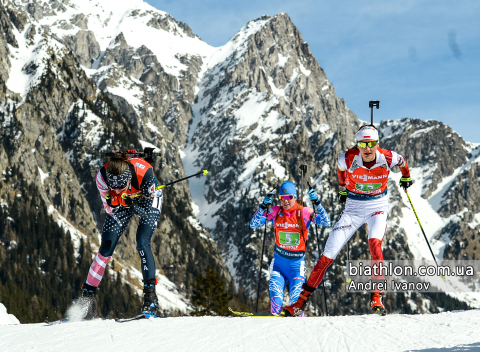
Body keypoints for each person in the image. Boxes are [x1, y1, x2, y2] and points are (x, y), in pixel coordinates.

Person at [283, 125, 413, 316]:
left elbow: (403, 162)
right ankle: (299, 303)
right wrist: (343, 187)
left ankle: (377, 297)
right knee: (327, 256)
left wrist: (406, 177)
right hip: (352, 210)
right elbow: (340, 170)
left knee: (375, 245)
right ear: (357, 145)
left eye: (372, 144)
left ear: (378, 144)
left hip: (377, 207)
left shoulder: (388, 157)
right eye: (363, 144)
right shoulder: (346, 158)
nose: (367, 149)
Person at [80, 151, 163, 316]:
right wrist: (118, 200)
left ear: (129, 179)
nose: (116, 190)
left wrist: (130, 203)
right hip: (124, 202)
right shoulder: (102, 177)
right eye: (113, 187)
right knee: (106, 248)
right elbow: (109, 209)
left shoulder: (144, 173)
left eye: (121, 186)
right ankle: (85, 300)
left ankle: (151, 300)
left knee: (142, 241)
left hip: (147, 198)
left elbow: (145, 211)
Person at [250, 180, 330, 316]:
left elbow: (326, 221)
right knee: (276, 306)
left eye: (289, 197)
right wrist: (263, 206)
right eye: (282, 198)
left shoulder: (304, 212)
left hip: (296, 266)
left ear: (295, 197)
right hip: (278, 265)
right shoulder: (275, 211)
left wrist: (316, 202)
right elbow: (254, 224)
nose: (285, 201)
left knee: (295, 306)